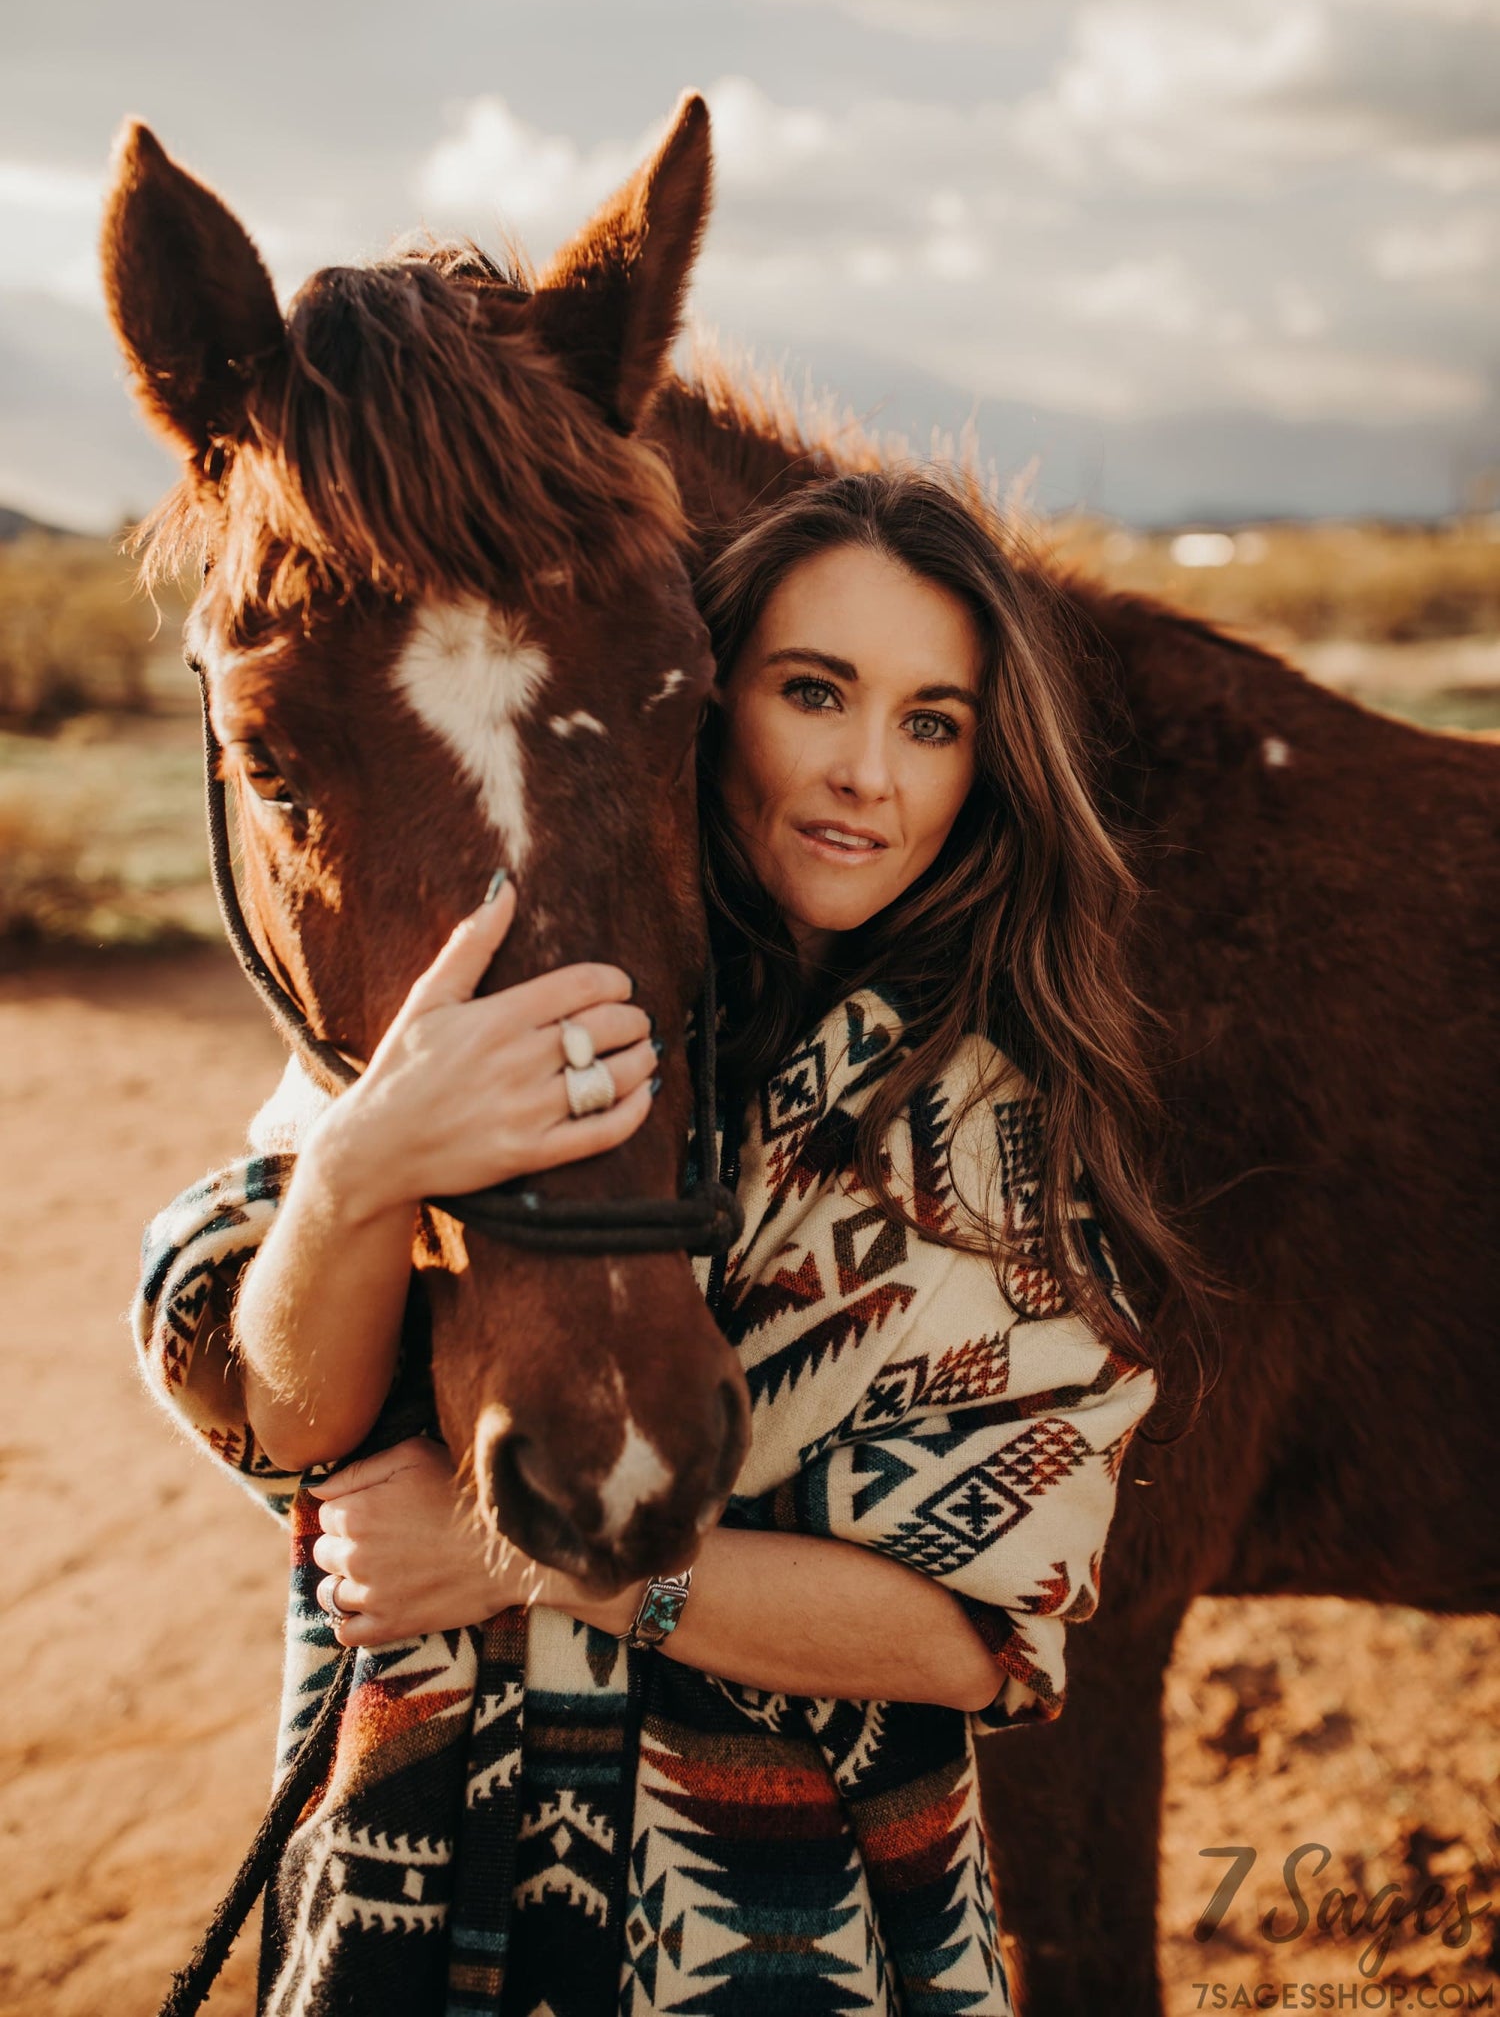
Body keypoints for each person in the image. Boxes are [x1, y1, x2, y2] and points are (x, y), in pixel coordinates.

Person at [137, 469, 1196, 2017]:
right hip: (411, 1911)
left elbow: (975, 1632)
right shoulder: (507, 1021)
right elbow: (282, 1413)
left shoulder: (988, 1136)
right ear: (700, 708)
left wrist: (542, 1569)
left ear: (985, 760)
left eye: (931, 719)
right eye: (813, 691)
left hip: (785, 1944)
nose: (864, 775)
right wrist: (362, 1162)